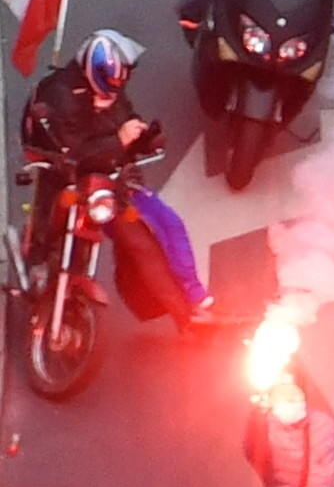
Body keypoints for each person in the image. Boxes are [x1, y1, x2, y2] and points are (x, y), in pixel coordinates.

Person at [23, 30, 211, 326]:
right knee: (50, 222)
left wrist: (143, 138)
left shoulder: (115, 91)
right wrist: (119, 142)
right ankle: (37, 259)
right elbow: (72, 151)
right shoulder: (58, 95)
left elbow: (125, 121)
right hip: (67, 175)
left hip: (108, 182)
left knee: (152, 237)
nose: (113, 91)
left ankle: (188, 315)